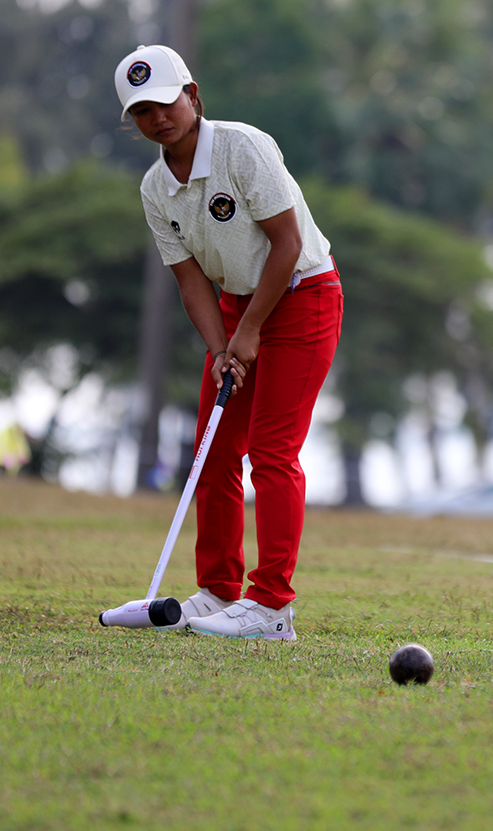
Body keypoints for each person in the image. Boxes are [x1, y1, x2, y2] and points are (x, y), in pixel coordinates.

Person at [113, 44, 342, 640]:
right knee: (214, 451)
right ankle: (218, 593)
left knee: (271, 451)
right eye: (141, 111)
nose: (157, 118)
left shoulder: (244, 146)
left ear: (193, 96)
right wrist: (223, 351)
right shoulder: (155, 189)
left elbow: (287, 244)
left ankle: (271, 608)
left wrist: (247, 334)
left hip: (303, 297)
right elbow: (190, 280)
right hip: (236, 309)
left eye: (166, 102)